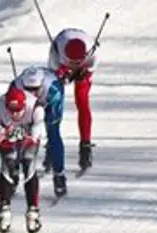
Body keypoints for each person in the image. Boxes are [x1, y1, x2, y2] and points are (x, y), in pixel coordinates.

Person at [0, 86, 45, 233]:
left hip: (29, 133)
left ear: (24, 105)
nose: (14, 114)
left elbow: (37, 132)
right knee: (8, 163)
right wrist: (5, 135)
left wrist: (27, 137)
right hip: (8, 136)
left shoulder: (35, 107)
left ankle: (33, 211)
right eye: (11, 110)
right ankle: (4, 209)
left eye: (18, 110)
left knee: (28, 163)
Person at [48, 27, 97, 175]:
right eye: (71, 62)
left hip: (81, 60)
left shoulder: (92, 55)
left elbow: (89, 72)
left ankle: (85, 146)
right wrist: (63, 75)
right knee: (54, 102)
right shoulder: (55, 52)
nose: (74, 65)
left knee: (82, 100)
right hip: (61, 59)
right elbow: (53, 76)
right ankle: (52, 143)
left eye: (78, 62)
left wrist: (83, 76)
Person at [12, 65, 66, 197]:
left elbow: (53, 117)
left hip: (49, 102)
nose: (31, 93)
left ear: (41, 85)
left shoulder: (54, 90)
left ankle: (59, 175)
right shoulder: (15, 87)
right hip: (25, 105)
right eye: (28, 90)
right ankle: (14, 172)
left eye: (35, 90)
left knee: (53, 133)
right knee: (19, 134)